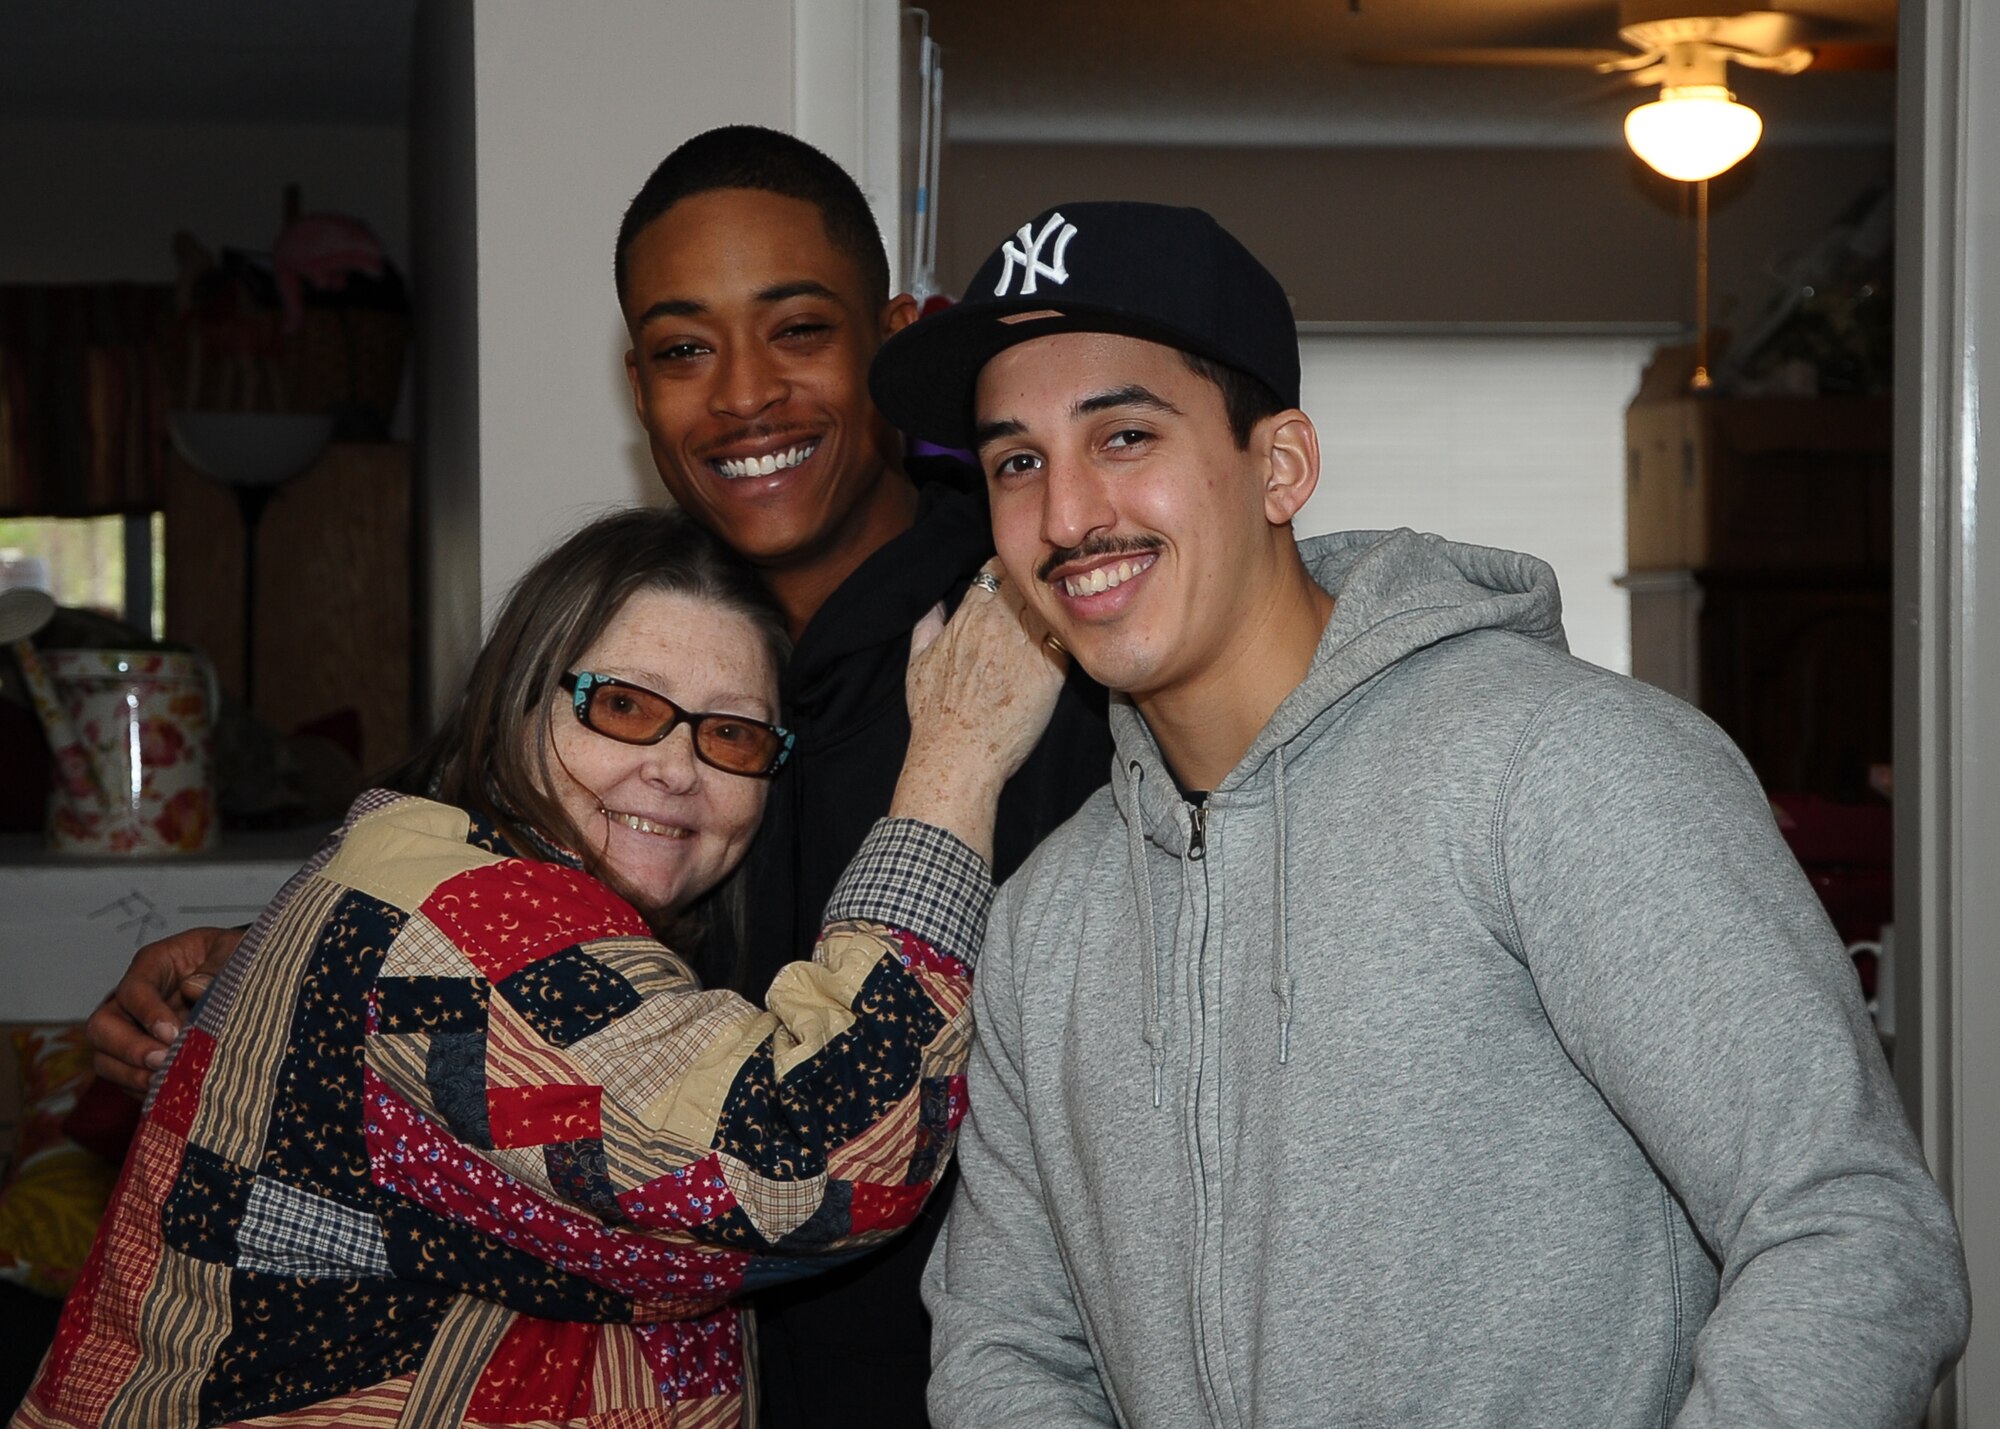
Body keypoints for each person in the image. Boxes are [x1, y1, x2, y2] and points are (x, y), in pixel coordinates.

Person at [867, 201, 1973, 1428]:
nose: (1066, 516)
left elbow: (1847, 1226)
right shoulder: (1043, 923)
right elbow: (1004, 1351)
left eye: (1123, 435)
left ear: (1278, 464)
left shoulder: (1561, 770)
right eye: (1016, 460)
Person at [87, 128, 1111, 1428]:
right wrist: (291, 974)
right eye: (686, 348)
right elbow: (516, 926)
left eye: (796, 330)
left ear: (895, 342)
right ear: (639, 382)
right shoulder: (629, 642)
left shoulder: (1027, 660)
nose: (742, 394)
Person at [17, 507, 1066, 1428]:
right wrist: (954, 764)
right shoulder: (471, 921)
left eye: (733, 736)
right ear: (520, 697)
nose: (674, 764)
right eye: (620, 705)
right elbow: (813, 1161)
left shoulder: (438, 884)